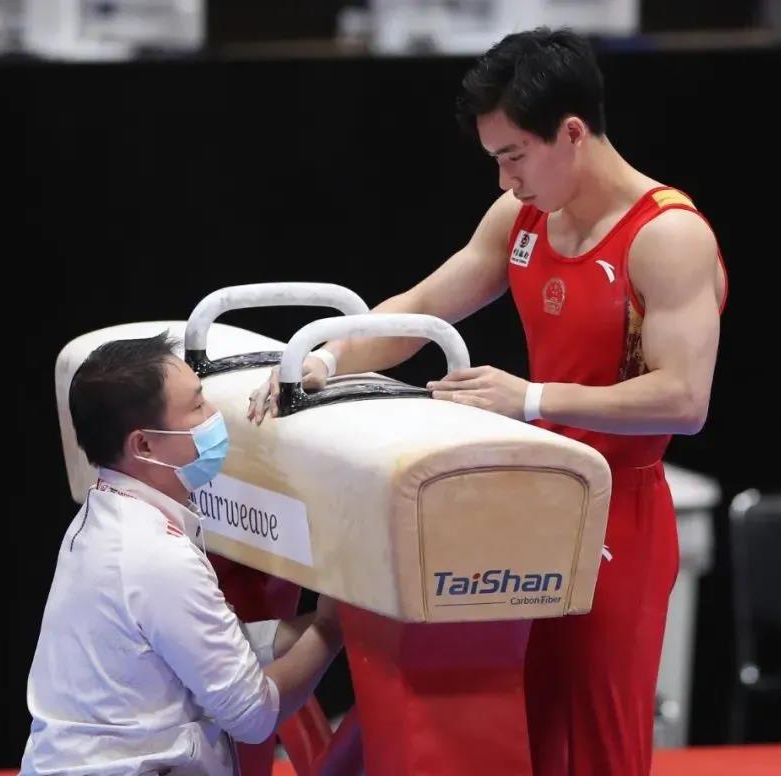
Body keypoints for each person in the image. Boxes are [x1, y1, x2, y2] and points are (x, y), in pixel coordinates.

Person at [249, 26, 728, 776]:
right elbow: (419, 310)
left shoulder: (667, 237)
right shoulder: (521, 219)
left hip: (618, 514)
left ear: (572, 133)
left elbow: (685, 398)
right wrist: (324, 360)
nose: (506, 180)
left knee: (593, 747)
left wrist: (530, 398)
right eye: (496, 160)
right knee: (509, 734)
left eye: (514, 156)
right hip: (524, 507)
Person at [22, 333, 343, 776]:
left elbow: (209, 646)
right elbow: (254, 716)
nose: (216, 416)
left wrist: (321, 623)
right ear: (144, 445)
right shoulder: (155, 556)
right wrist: (331, 630)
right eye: (198, 407)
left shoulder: (104, 514)